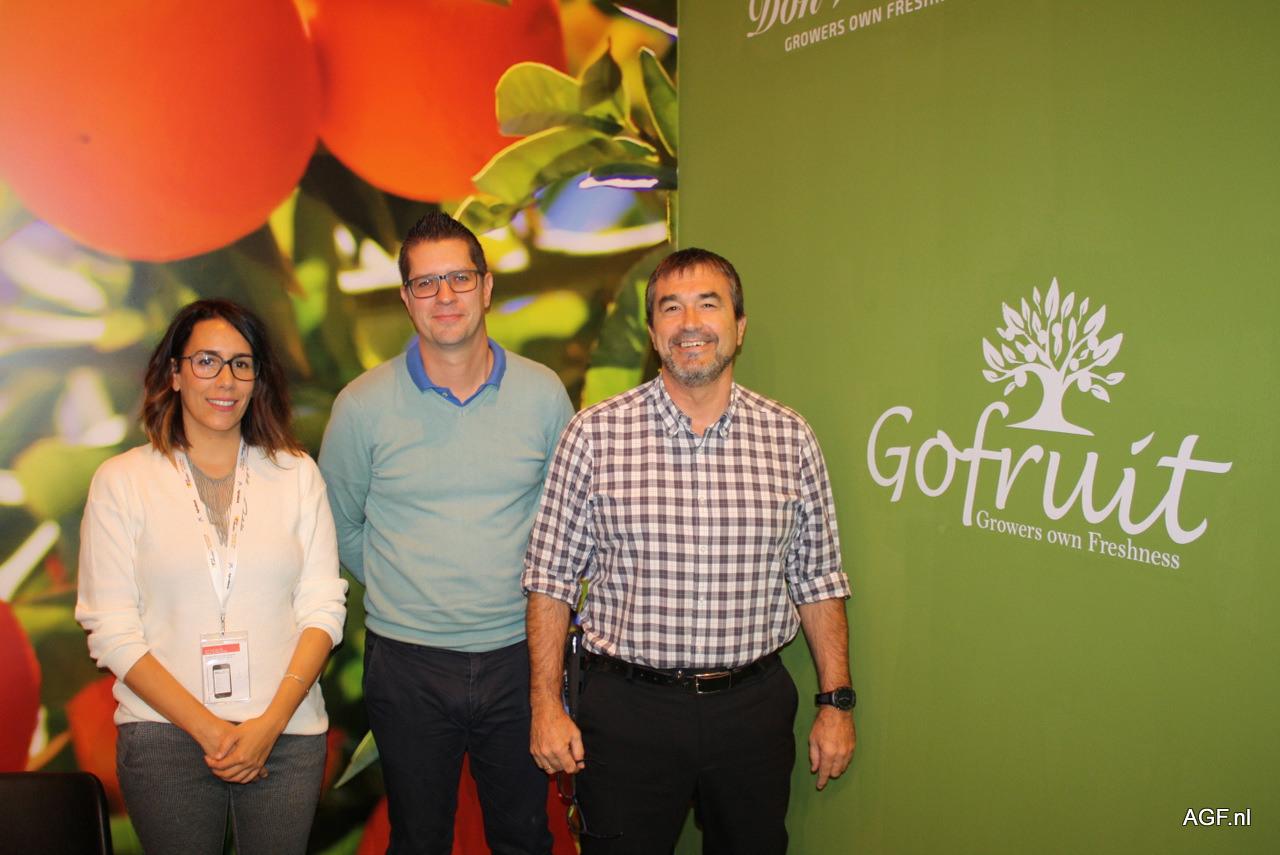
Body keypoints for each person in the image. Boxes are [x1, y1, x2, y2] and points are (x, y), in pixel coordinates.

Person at [523, 247, 856, 853]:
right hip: (626, 714)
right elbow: (550, 579)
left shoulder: (790, 438)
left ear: (739, 325)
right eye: (671, 308)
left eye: (709, 304)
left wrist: (836, 702)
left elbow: (818, 580)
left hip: (752, 712)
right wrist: (545, 704)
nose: (690, 323)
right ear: (653, 333)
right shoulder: (593, 434)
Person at [319, 212, 573, 854]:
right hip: (407, 663)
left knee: (524, 838)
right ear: (406, 299)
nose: (445, 296)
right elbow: (339, 524)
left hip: (520, 657)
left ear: (486, 286)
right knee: (419, 839)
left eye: (459, 278)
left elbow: (568, 524)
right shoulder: (361, 406)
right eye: (426, 283)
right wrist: (407, 585)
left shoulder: (543, 396)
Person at [76, 299, 348, 855]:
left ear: (257, 379)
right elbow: (112, 630)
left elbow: (323, 608)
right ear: (174, 374)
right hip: (165, 737)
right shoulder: (121, 481)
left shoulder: (297, 474)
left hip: (285, 734)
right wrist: (209, 729)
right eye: (206, 361)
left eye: (241, 364)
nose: (225, 380)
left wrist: (269, 724)